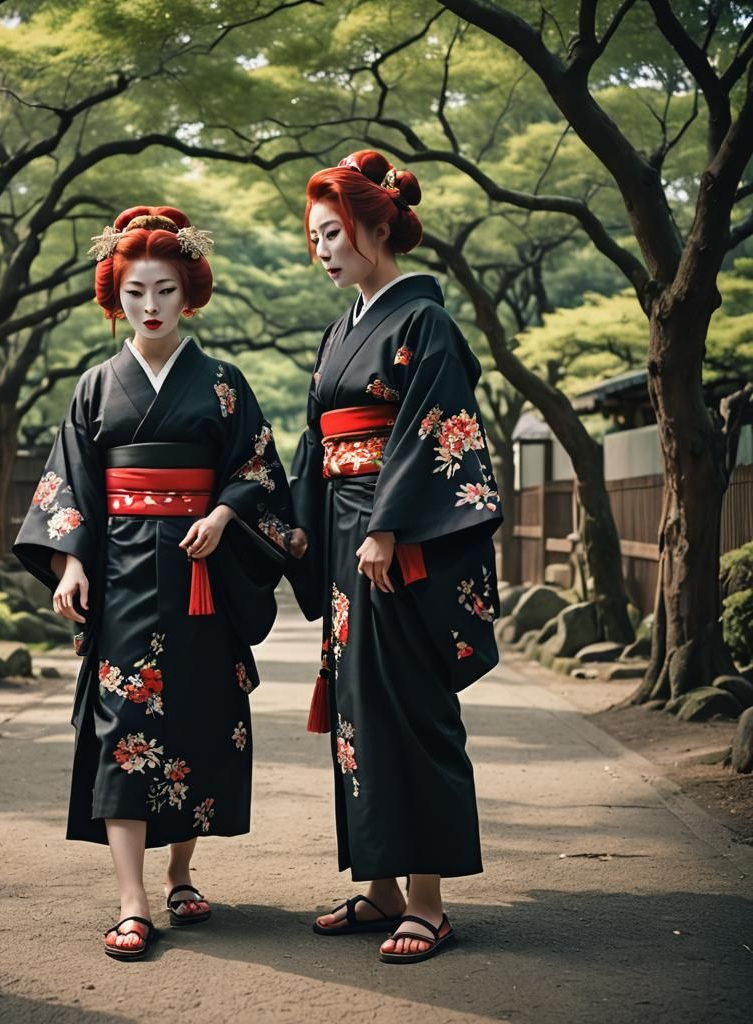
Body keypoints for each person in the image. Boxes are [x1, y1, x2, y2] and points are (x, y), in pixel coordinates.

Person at [13, 206, 297, 961]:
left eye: (165, 290)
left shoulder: (225, 384)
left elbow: (261, 470)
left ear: (188, 294)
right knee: (122, 732)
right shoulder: (95, 388)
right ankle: (132, 902)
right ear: (117, 296)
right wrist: (69, 561)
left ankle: (181, 873)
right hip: (123, 574)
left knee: (200, 722)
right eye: (136, 290)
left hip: (202, 575)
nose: (150, 305)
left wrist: (228, 513)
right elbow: (67, 485)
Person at [288, 151, 502, 965]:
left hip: (398, 541)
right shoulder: (341, 329)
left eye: (334, 234)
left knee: (410, 703)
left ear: (380, 227)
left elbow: (434, 425)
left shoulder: (425, 323)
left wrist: (388, 524)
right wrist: (303, 529)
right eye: (314, 238)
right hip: (347, 540)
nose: (323, 250)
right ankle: (379, 886)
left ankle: (429, 902)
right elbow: (318, 439)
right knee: (357, 711)